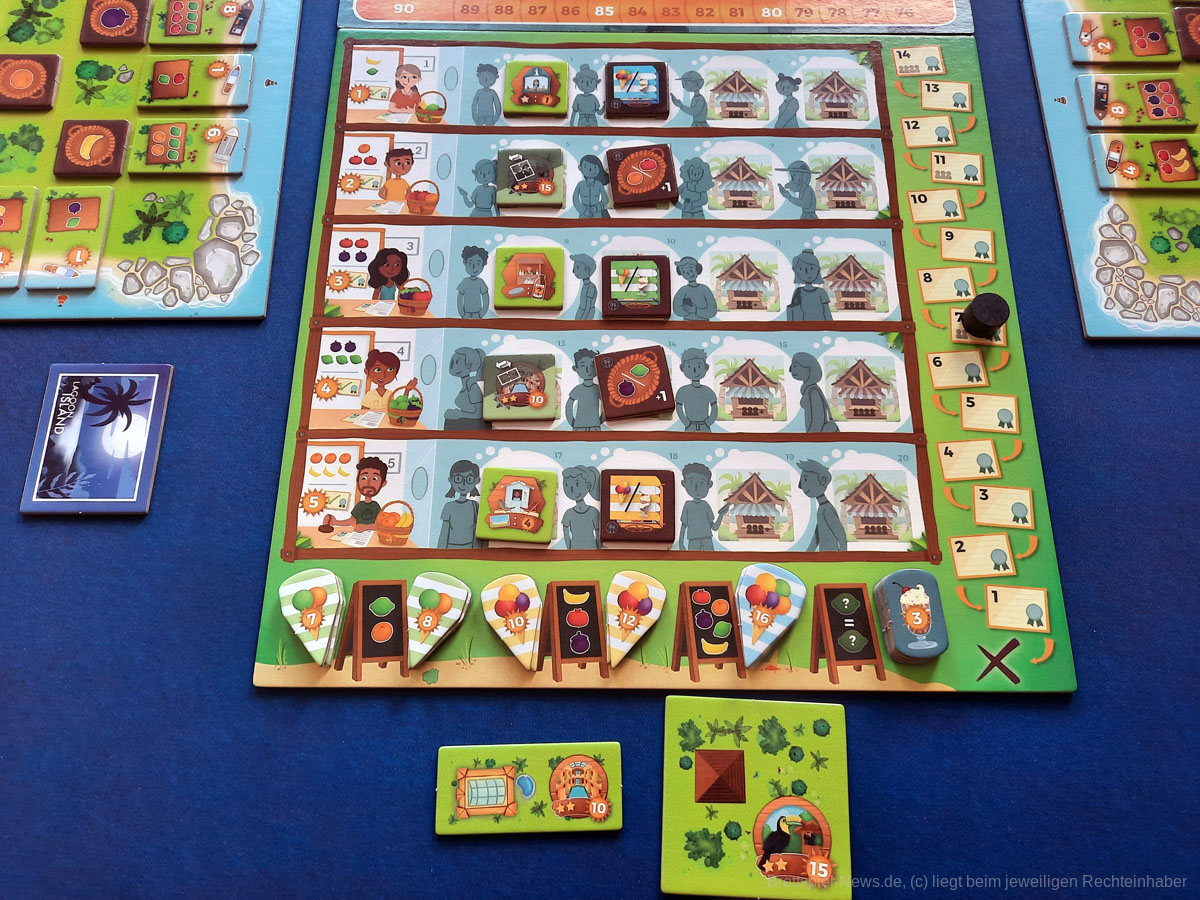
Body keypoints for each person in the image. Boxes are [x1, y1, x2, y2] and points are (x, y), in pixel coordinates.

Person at [322, 457, 388, 532]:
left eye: (374, 478)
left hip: (371, 535)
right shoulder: (360, 505)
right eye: (364, 478)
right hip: (357, 534)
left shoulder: (375, 506)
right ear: (358, 480)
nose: (368, 483)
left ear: (383, 483)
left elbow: (381, 524)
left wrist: (365, 527)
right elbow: (352, 520)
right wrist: (335, 522)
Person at [797, 458, 847, 551]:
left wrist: (844, 554)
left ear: (822, 481)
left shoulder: (827, 509)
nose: (801, 486)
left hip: (832, 555)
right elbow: (817, 535)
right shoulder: (822, 508)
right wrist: (807, 553)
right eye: (802, 480)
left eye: (806, 479)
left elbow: (841, 535)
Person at [678, 462, 730, 550]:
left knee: (711, 559)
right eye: (691, 482)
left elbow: (714, 527)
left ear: (709, 484)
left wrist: (721, 515)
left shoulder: (705, 505)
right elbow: (683, 525)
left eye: (701, 483)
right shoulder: (687, 506)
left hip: (707, 540)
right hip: (693, 541)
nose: (696, 487)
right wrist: (681, 543)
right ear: (684, 483)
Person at [789, 351, 838, 432]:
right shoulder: (808, 389)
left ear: (808, 369)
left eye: (794, 366)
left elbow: (818, 419)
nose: (791, 370)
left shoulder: (813, 391)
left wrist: (811, 436)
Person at [437, 460, 482, 549]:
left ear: (476, 481)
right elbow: (444, 532)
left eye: (469, 479)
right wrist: (439, 552)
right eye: (458, 479)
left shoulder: (474, 505)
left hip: (469, 549)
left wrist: (478, 552)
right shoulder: (449, 506)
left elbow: (476, 531)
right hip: (451, 549)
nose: (463, 484)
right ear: (451, 480)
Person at [676, 348, 718, 432]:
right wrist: (686, 423)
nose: (694, 370)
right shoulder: (682, 391)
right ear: (682, 368)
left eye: (699, 366)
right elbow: (679, 408)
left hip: (705, 427)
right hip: (689, 427)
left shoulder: (708, 391)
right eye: (689, 366)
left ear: (706, 367)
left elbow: (714, 408)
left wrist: (709, 422)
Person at [443, 347, 485, 429]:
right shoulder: (466, 384)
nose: (452, 364)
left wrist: (459, 414)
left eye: (457, 361)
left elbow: (478, 414)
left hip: (471, 426)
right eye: (452, 360)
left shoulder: (474, 386)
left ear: (469, 365)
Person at [560, 466, 601, 549]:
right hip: (575, 548)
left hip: (591, 548)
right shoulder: (569, 513)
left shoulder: (593, 511)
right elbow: (566, 533)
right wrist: (569, 549)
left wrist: (599, 549)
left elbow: (598, 533)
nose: (571, 489)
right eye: (566, 485)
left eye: (577, 484)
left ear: (588, 486)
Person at [565, 348, 604, 430]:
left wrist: (602, 419)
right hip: (579, 426)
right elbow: (569, 405)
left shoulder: (598, 389)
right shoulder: (578, 389)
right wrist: (572, 422)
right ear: (575, 368)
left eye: (592, 365)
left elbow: (605, 405)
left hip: (595, 426)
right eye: (582, 366)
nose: (587, 370)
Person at [788, 249, 832, 321]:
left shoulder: (821, 292)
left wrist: (831, 325)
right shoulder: (798, 291)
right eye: (801, 268)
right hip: (804, 325)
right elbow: (794, 311)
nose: (806, 272)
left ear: (818, 270)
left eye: (811, 268)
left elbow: (827, 312)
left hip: (821, 324)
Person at [361, 348, 401, 412]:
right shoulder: (370, 394)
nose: (384, 375)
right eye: (378, 370)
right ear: (367, 372)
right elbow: (363, 410)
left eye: (390, 369)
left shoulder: (390, 394)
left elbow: (394, 409)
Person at [456, 246, 490, 318]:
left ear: (483, 265)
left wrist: (481, 314)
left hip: (477, 315)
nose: (474, 267)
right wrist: (462, 314)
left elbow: (486, 299)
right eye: (470, 263)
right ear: (465, 262)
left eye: (478, 264)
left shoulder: (481, 282)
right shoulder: (464, 282)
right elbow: (459, 299)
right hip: (466, 315)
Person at [570, 253, 598, 319]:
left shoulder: (590, 287)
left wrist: (582, 320)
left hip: (586, 313)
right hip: (581, 311)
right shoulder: (585, 285)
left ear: (587, 269)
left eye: (577, 267)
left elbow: (588, 306)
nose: (574, 271)